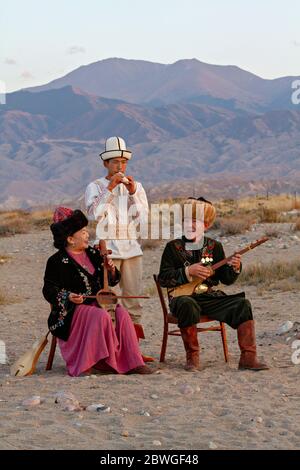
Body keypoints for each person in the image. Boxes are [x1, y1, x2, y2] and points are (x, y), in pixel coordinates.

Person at [158, 197, 269, 372]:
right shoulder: (173, 247)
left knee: (242, 304)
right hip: (182, 299)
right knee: (188, 304)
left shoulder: (214, 246)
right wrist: (188, 272)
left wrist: (235, 267)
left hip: (208, 297)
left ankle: (248, 358)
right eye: (187, 220)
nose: (190, 225)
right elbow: (163, 278)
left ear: (207, 225)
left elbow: (226, 279)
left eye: (196, 221)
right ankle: (192, 358)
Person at [42, 207, 152, 377]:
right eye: (83, 232)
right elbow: (49, 289)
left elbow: (112, 281)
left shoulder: (94, 254)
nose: (88, 235)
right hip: (72, 310)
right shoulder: (56, 261)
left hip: (100, 303)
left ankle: (133, 362)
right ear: (70, 239)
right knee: (100, 316)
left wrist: (111, 269)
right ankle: (90, 363)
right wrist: (69, 296)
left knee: (121, 313)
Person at [85, 136, 153, 360]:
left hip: (132, 248)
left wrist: (133, 192)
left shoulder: (137, 187)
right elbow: (95, 214)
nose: (120, 166)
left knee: (132, 300)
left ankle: (132, 350)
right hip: (106, 249)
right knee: (108, 300)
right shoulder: (95, 187)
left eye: (123, 162)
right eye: (115, 162)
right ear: (106, 163)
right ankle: (110, 350)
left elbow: (143, 219)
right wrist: (111, 188)